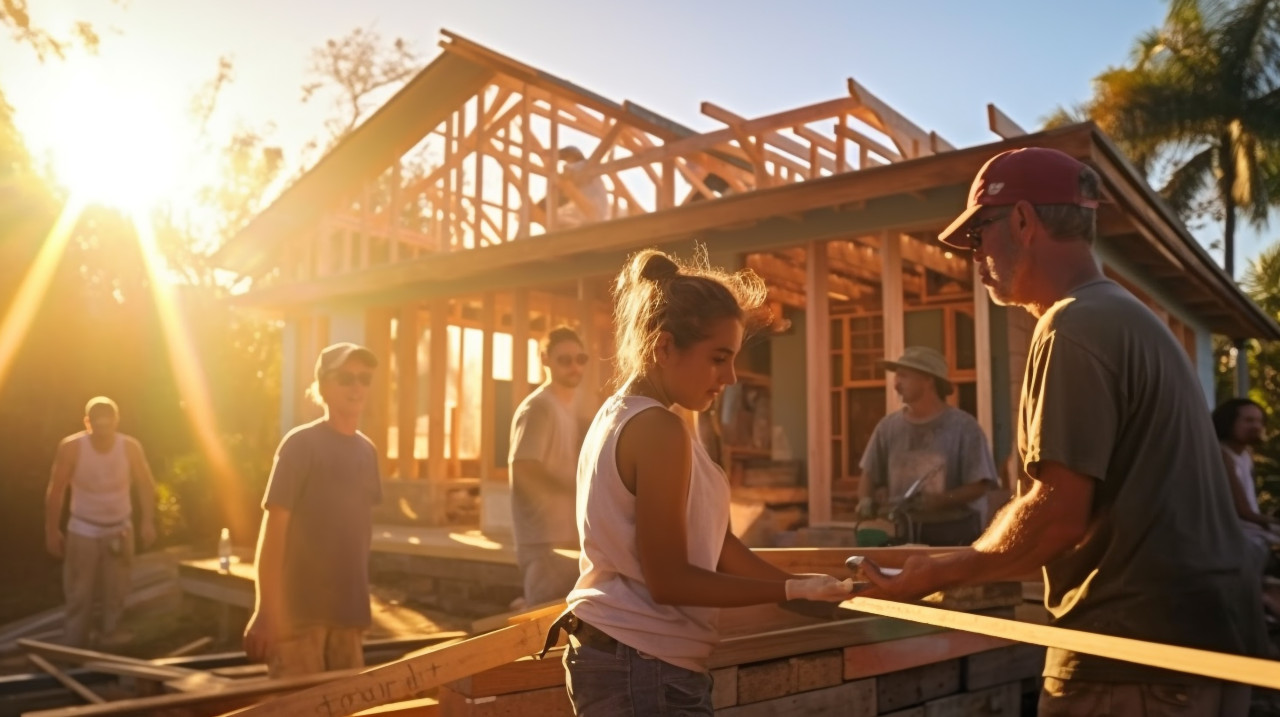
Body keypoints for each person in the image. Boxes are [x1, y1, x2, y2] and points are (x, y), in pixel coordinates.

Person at [857, 147, 1266, 716]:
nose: (974, 258)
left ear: (1024, 222)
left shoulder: (1072, 325)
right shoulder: (1132, 319)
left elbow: (1058, 515)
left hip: (1129, 659)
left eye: (979, 234)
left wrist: (938, 571)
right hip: (1202, 643)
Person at [548, 249, 854, 715]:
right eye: (718, 358)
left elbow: (719, 545)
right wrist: (789, 592)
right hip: (642, 666)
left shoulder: (621, 414)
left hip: (628, 658)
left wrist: (798, 587)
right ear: (664, 347)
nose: (729, 377)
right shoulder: (658, 429)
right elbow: (669, 580)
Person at [243, 342, 382, 678]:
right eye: (346, 378)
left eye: (364, 379)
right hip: (298, 618)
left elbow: (357, 536)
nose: (356, 387)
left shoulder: (367, 452)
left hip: (349, 617)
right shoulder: (300, 446)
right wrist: (265, 610)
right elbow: (273, 531)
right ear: (322, 386)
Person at [45, 396, 157, 648]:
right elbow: (56, 490)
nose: (103, 433)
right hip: (83, 529)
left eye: (108, 426)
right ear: (88, 423)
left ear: (116, 422)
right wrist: (52, 530)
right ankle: (74, 646)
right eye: (98, 426)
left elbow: (145, 484)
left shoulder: (129, 447)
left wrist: (147, 521)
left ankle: (110, 641)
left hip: (119, 530)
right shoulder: (72, 448)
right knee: (79, 594)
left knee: (116, 591)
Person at [857, 346, 997, 545]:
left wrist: (943, 499)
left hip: (953, 535)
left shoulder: (964, 428)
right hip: (901, 534)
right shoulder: (888, 428)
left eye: (903, 376)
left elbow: (980, 485)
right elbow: (869, 475)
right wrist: (866, 501)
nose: (896, 385)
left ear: (928, 380)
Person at [509, 326, 589, 606]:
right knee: (542, 638)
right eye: (564, 360)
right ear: (545, 360)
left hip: (565, 539)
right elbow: (524, 468)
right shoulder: (538, 408)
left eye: (581, 359)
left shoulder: (567, 408)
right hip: (544, 545)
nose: (574, 366)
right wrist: (573, 491)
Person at [1212, 398, 1280, 615]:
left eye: (1259, 421)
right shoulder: (1223, 455)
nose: (1256, 426)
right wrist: (1271, 523)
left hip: (1251, 524)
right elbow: (1243, 510)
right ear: (1228, 422)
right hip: (1235, 527)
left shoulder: (1246, 455)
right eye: (1248, 420)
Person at [533, 146, 610, 229]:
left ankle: (537, 211)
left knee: (560, 194)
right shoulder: (589, 176)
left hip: (592, 214)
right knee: (559, 197)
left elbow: (566, 179)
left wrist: (551, 163)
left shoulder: (581, 166)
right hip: (596, 214)